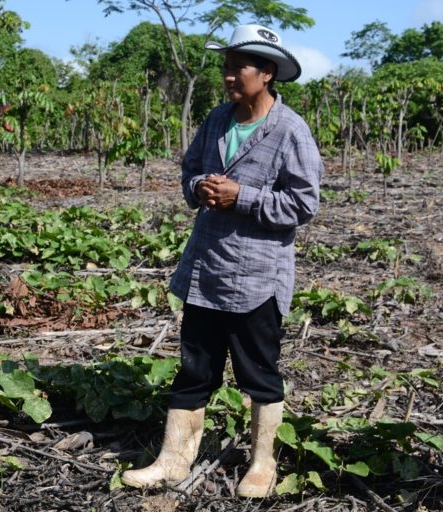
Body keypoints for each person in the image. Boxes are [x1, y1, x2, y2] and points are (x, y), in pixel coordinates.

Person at [121, 24, 323, 498]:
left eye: (239, 68)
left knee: (259, 372)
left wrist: (243, 197)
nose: (229, 76)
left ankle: (262, 463)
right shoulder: (217, 119)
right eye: (226, 67)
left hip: (258, 275)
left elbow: (304, 205)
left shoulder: (290, 129)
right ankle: (173, 460)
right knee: (195, 367)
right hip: (207, 270)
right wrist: (201, 188)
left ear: (267, 73)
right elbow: (190, 171)